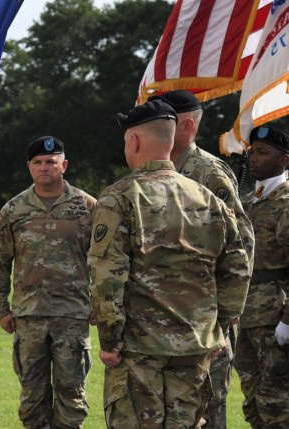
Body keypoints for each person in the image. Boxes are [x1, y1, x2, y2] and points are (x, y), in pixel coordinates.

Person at [87, 100, 250, 428]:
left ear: (133, 142)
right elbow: (238, 263)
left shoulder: (120, 199)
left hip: (138, 346)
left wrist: (109, 339)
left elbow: (107, 276)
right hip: (195, 344)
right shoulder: (208, 199)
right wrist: (220, 326)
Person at [148, 90, 255, 428]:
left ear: (187, 125)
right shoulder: (154, 172)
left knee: (207, 409)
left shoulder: (209, 173)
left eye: (166, 120)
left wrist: (223, 316)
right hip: (164, 316)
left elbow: (241, 245)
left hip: (205, 320)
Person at [0, 136, 96, 429]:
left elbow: (103, 260)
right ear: (29, 167)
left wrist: (100, 304)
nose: (44, 167)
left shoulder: (87, 206)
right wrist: (0, 308)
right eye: (38, 162)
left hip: (72, 315)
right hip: (28, 316)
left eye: (51, 161)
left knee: (72, 395)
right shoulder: (14, 210)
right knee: (32, 397)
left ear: (64, 165)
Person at [234, 125, 289, 428]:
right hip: (247, 317)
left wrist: (288, 321)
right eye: (253, 152)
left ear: (284, 160)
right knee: (253, 403)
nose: (254, 159)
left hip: (274, 318)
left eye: (263, 153)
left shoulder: (285, 202)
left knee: (277, 405)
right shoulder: (248, 203)